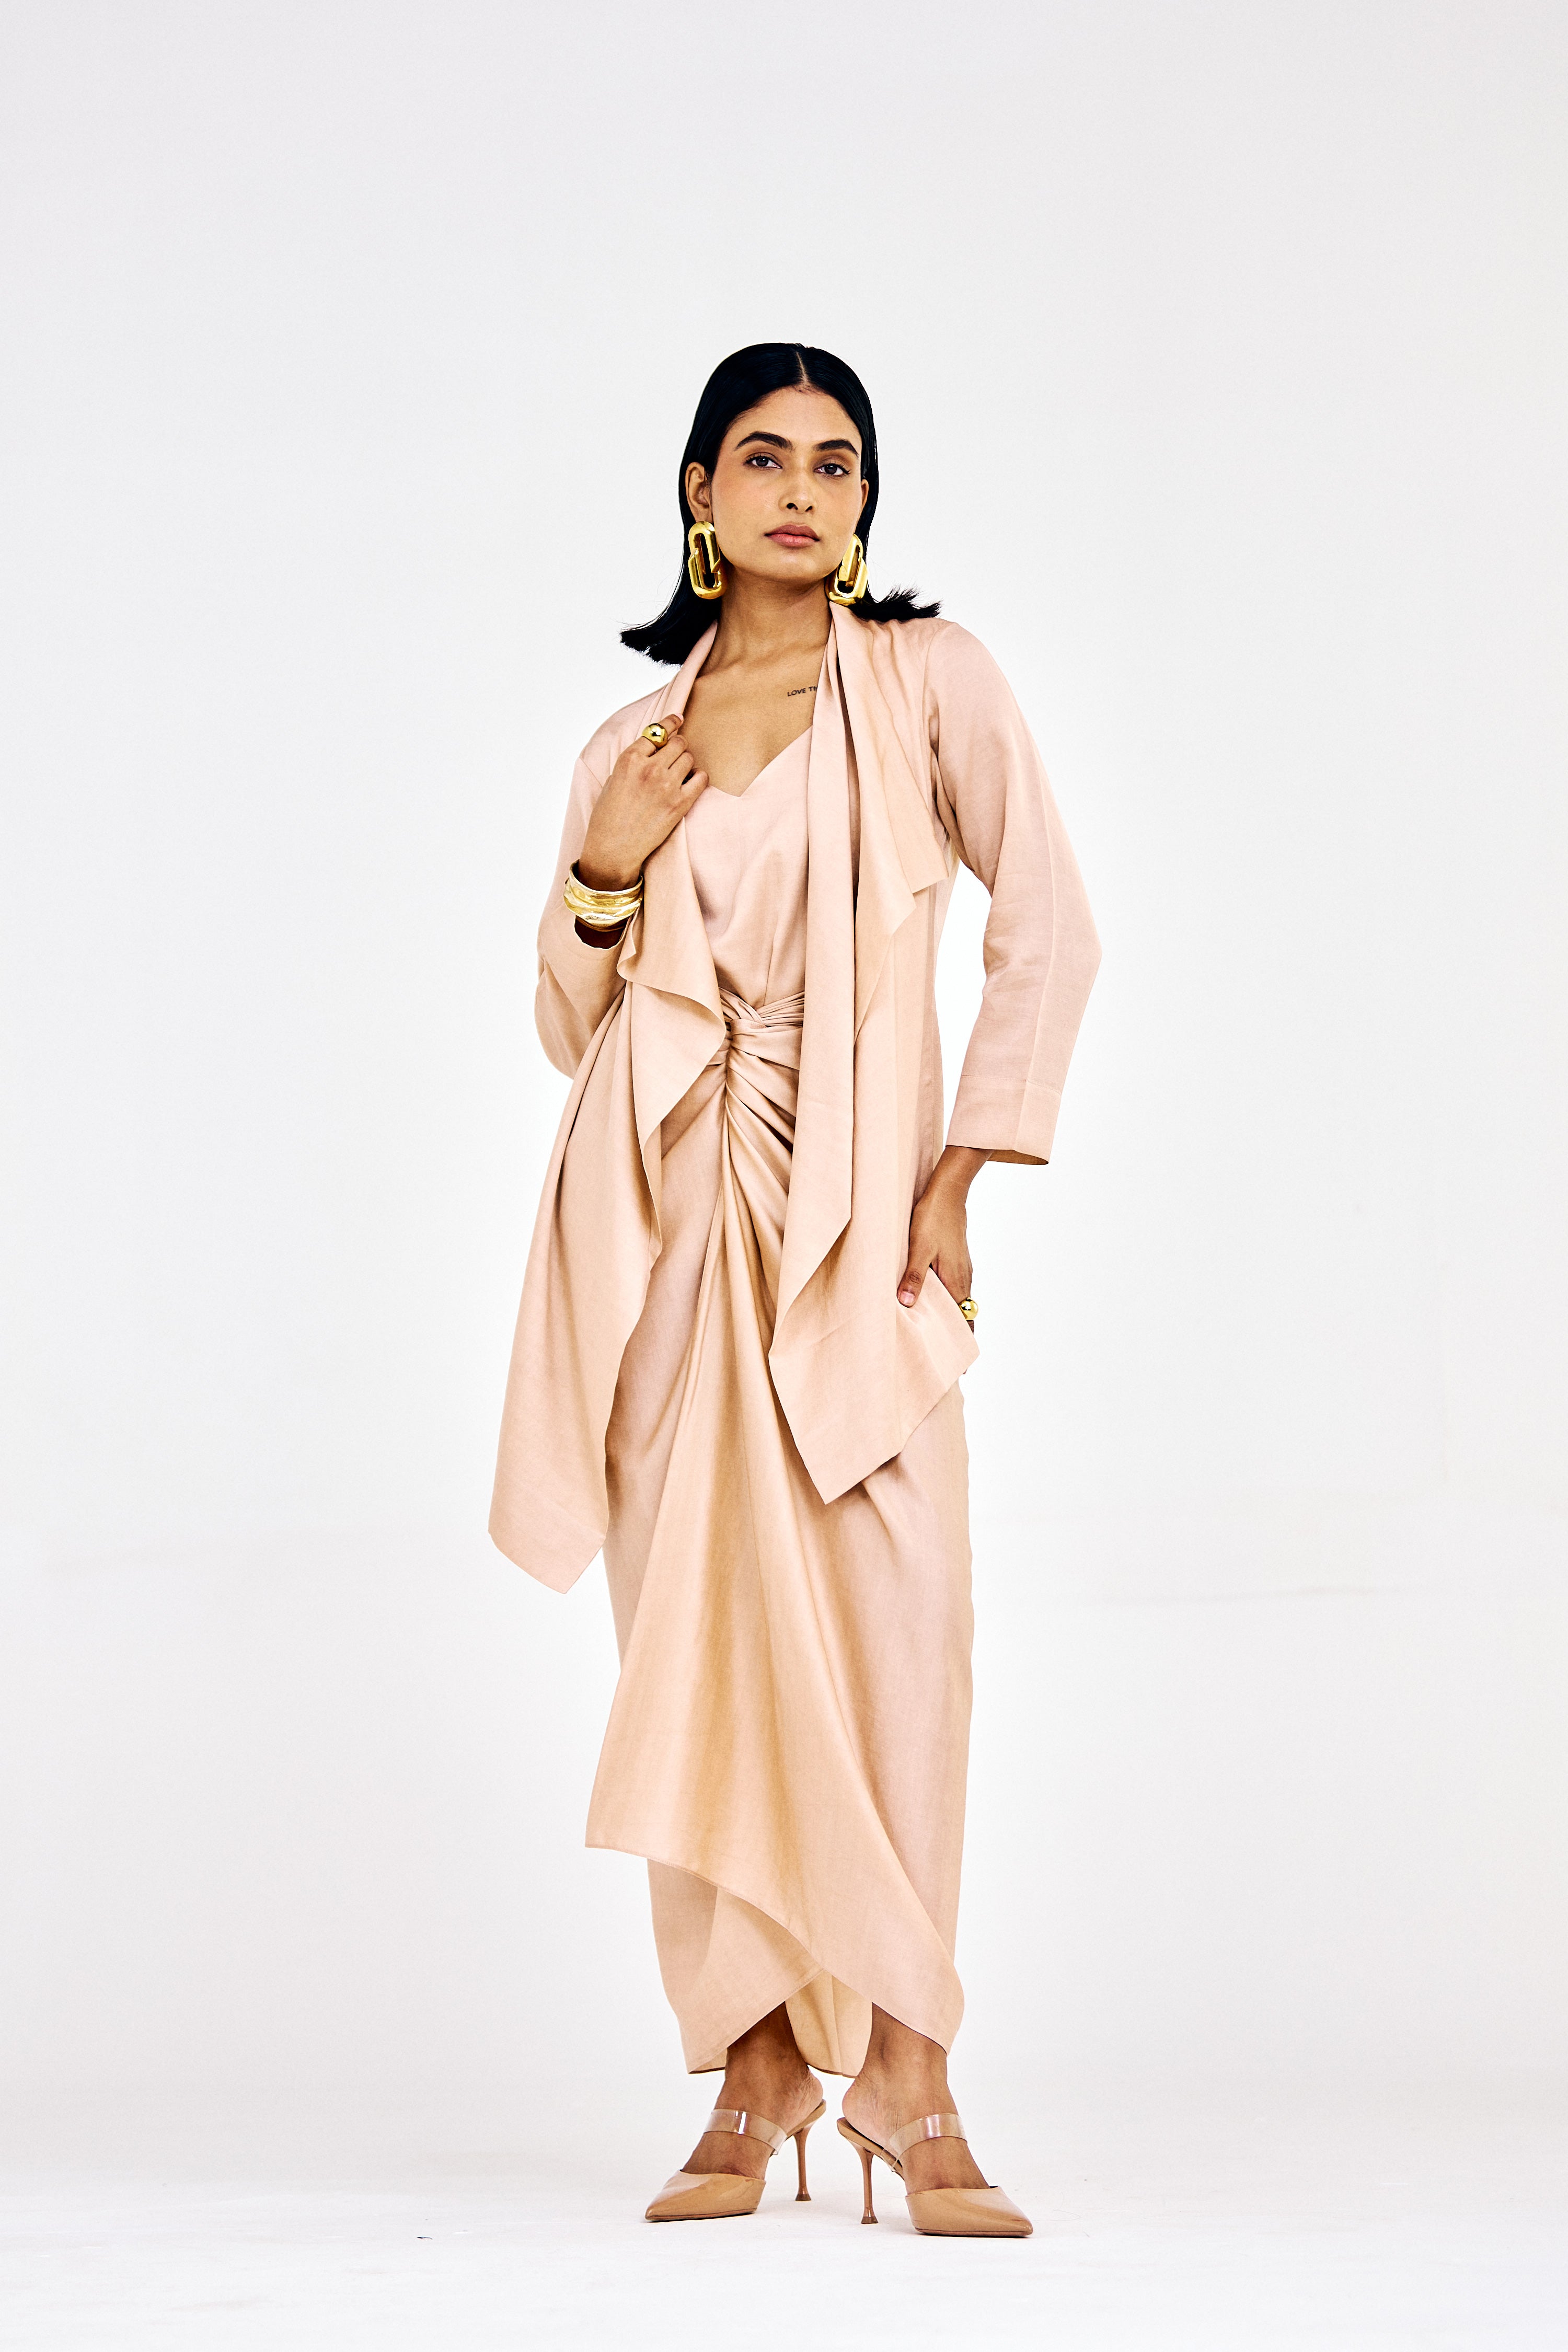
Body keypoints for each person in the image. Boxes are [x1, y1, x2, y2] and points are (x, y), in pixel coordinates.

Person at [491, 343, 1100, 2235]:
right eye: (764, 458)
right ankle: (753, 2067)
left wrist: (963, 1169)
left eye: (837, 465)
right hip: (669, 1243)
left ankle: (911, 2071)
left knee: (908, 1634)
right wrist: (605, 868)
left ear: (864, 503)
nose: (803, 493)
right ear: (700, 492)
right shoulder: (634, 745)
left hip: (861, 1229)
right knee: (700, 1647)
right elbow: (573, 1025)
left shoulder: (927, 682)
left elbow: (1052, 922)